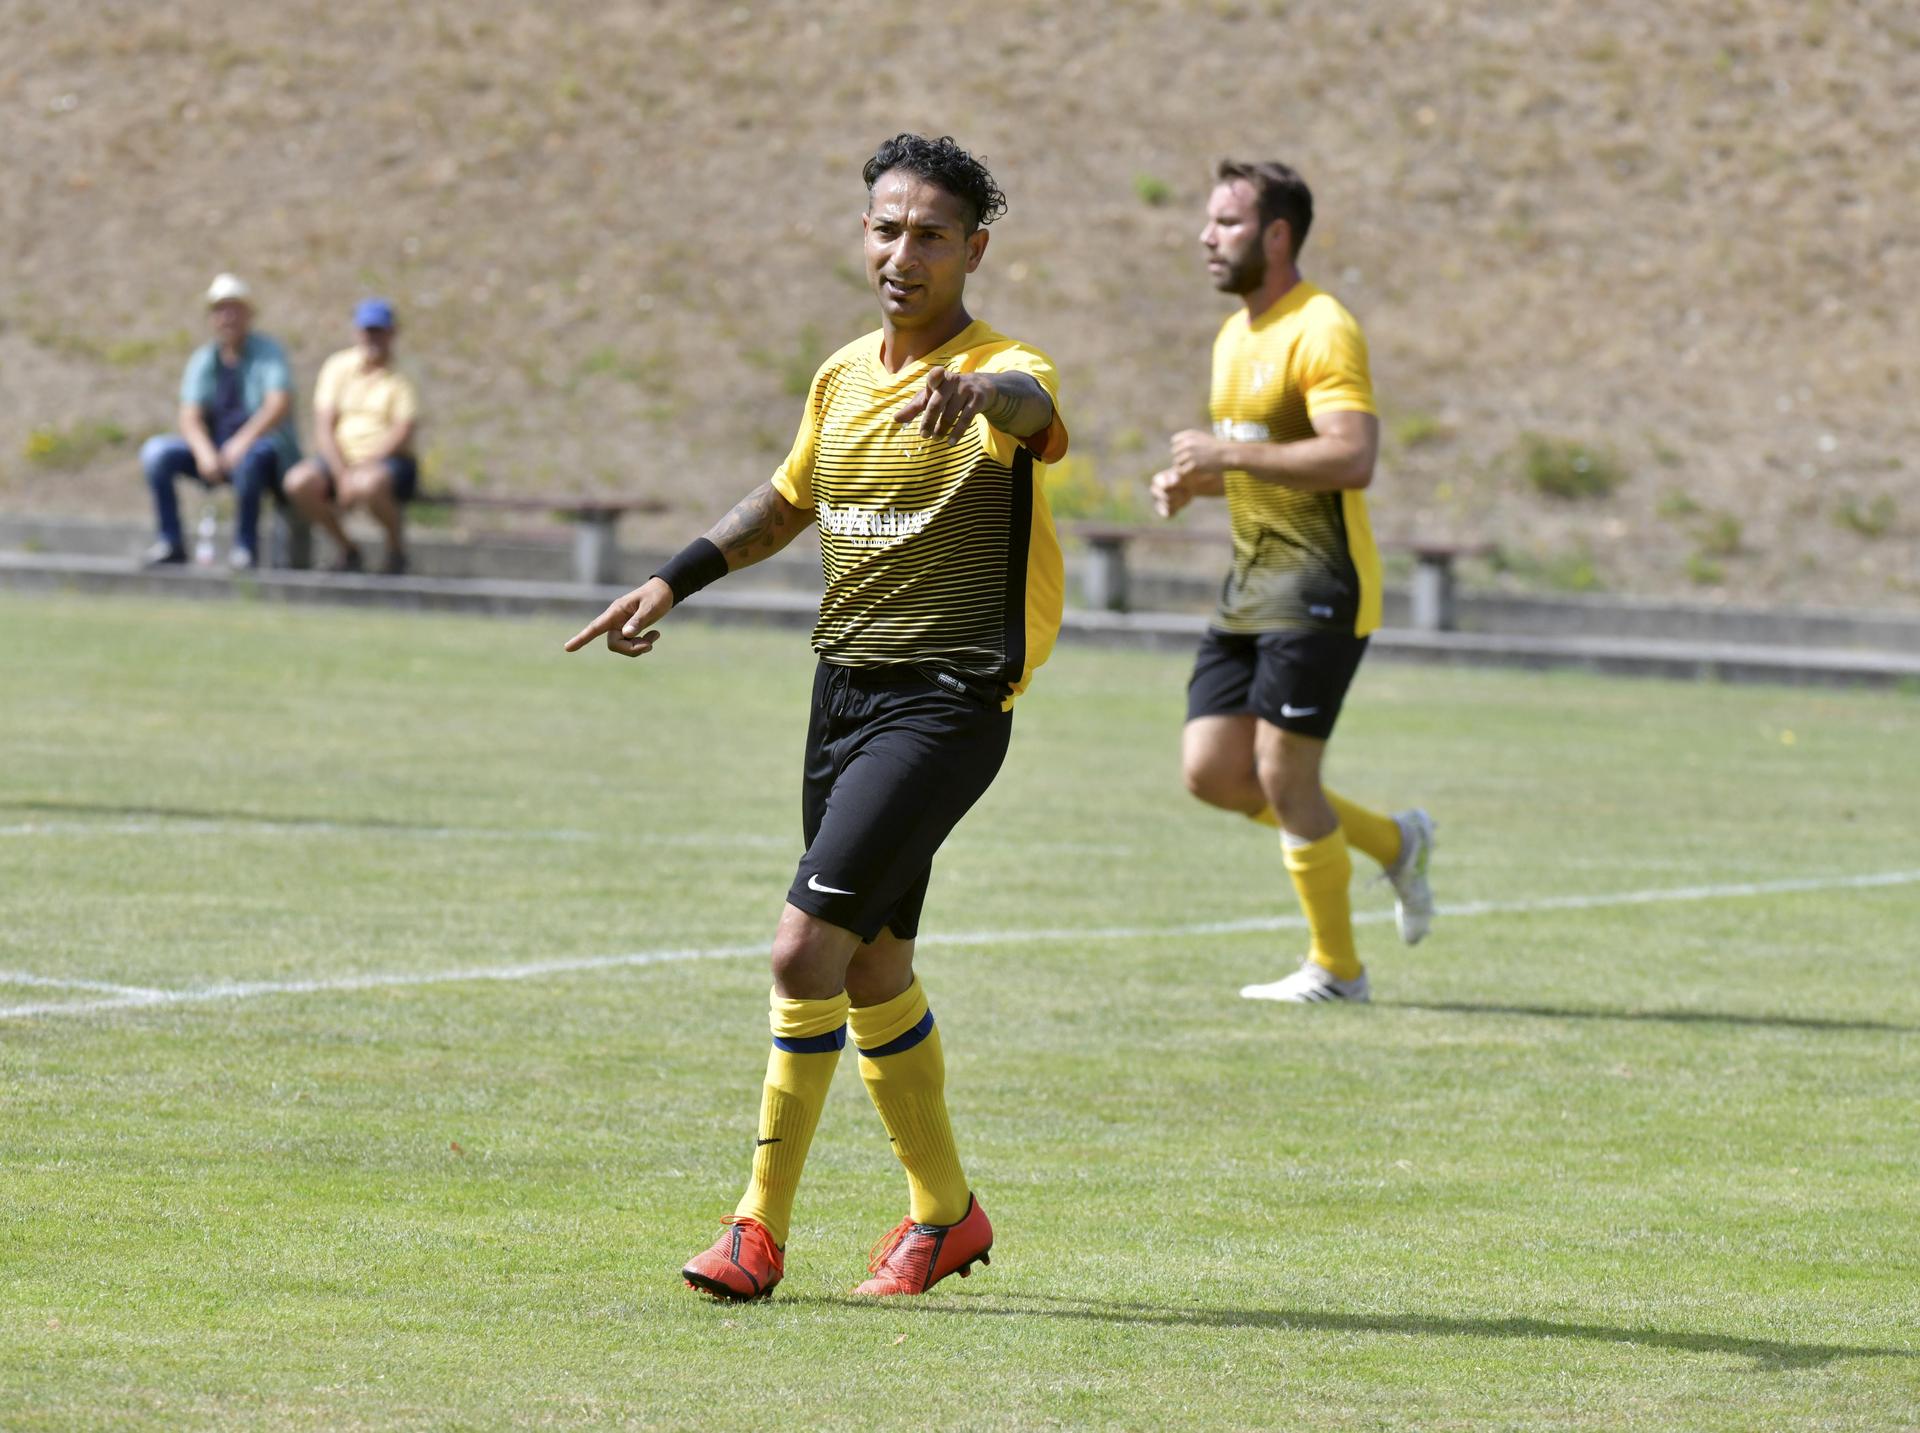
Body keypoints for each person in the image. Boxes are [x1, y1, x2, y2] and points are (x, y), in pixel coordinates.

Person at [565, 134, 1067, 1300]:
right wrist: (671, 578)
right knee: (876, 961)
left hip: (945, 702)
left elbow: (1037, 411)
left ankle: (756, 1229)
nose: (905, 252)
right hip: (841, 691)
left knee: (804, 948)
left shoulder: (1003, 366)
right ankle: (945, 1214)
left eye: (932, 234)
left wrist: (983, 389)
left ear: (973, 250)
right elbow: (791, 497)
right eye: (887, 228)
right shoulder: (843, 376)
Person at [1149, 160, 1435, 1005]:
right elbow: (1268, 464)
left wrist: (1225, 453)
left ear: (1277, 236)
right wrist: (1198, 482)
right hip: (1251, 584)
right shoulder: (1234, 337)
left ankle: (1338, 970)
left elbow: (1354, 456)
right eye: (1208, 220)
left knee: (1282, 775)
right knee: (1212, 773)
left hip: (1320, 584)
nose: (1207, 236)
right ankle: (1393, 841)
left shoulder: (1323, 327)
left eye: (1227, 222)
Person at [139, 274, 299, 569]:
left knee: (251, 459)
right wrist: (204, 453)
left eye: (234, 309)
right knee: (157, 453)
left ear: (248, 314)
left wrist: (241, 443)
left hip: (262, 451)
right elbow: (190, 415)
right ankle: (170, 540)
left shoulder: (268, 353)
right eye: (220, 310)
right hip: (217, 450)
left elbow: (277, 406)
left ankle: (245, 548)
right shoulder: (204, 359)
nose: (228, 317)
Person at [282, 299, 421, 574]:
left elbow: (402, 430)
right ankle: (347, 548)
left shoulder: (404, 374)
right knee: (298, 482)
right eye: (368, 331)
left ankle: (396, 551)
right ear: (357, 333)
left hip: (389, 461)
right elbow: (324, 425)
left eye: (379, 331)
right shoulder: (338, 367)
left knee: (369, 484)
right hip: (340, 459)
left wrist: (364, 466)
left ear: (392, 333)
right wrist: (341, 471)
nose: (373, 338)